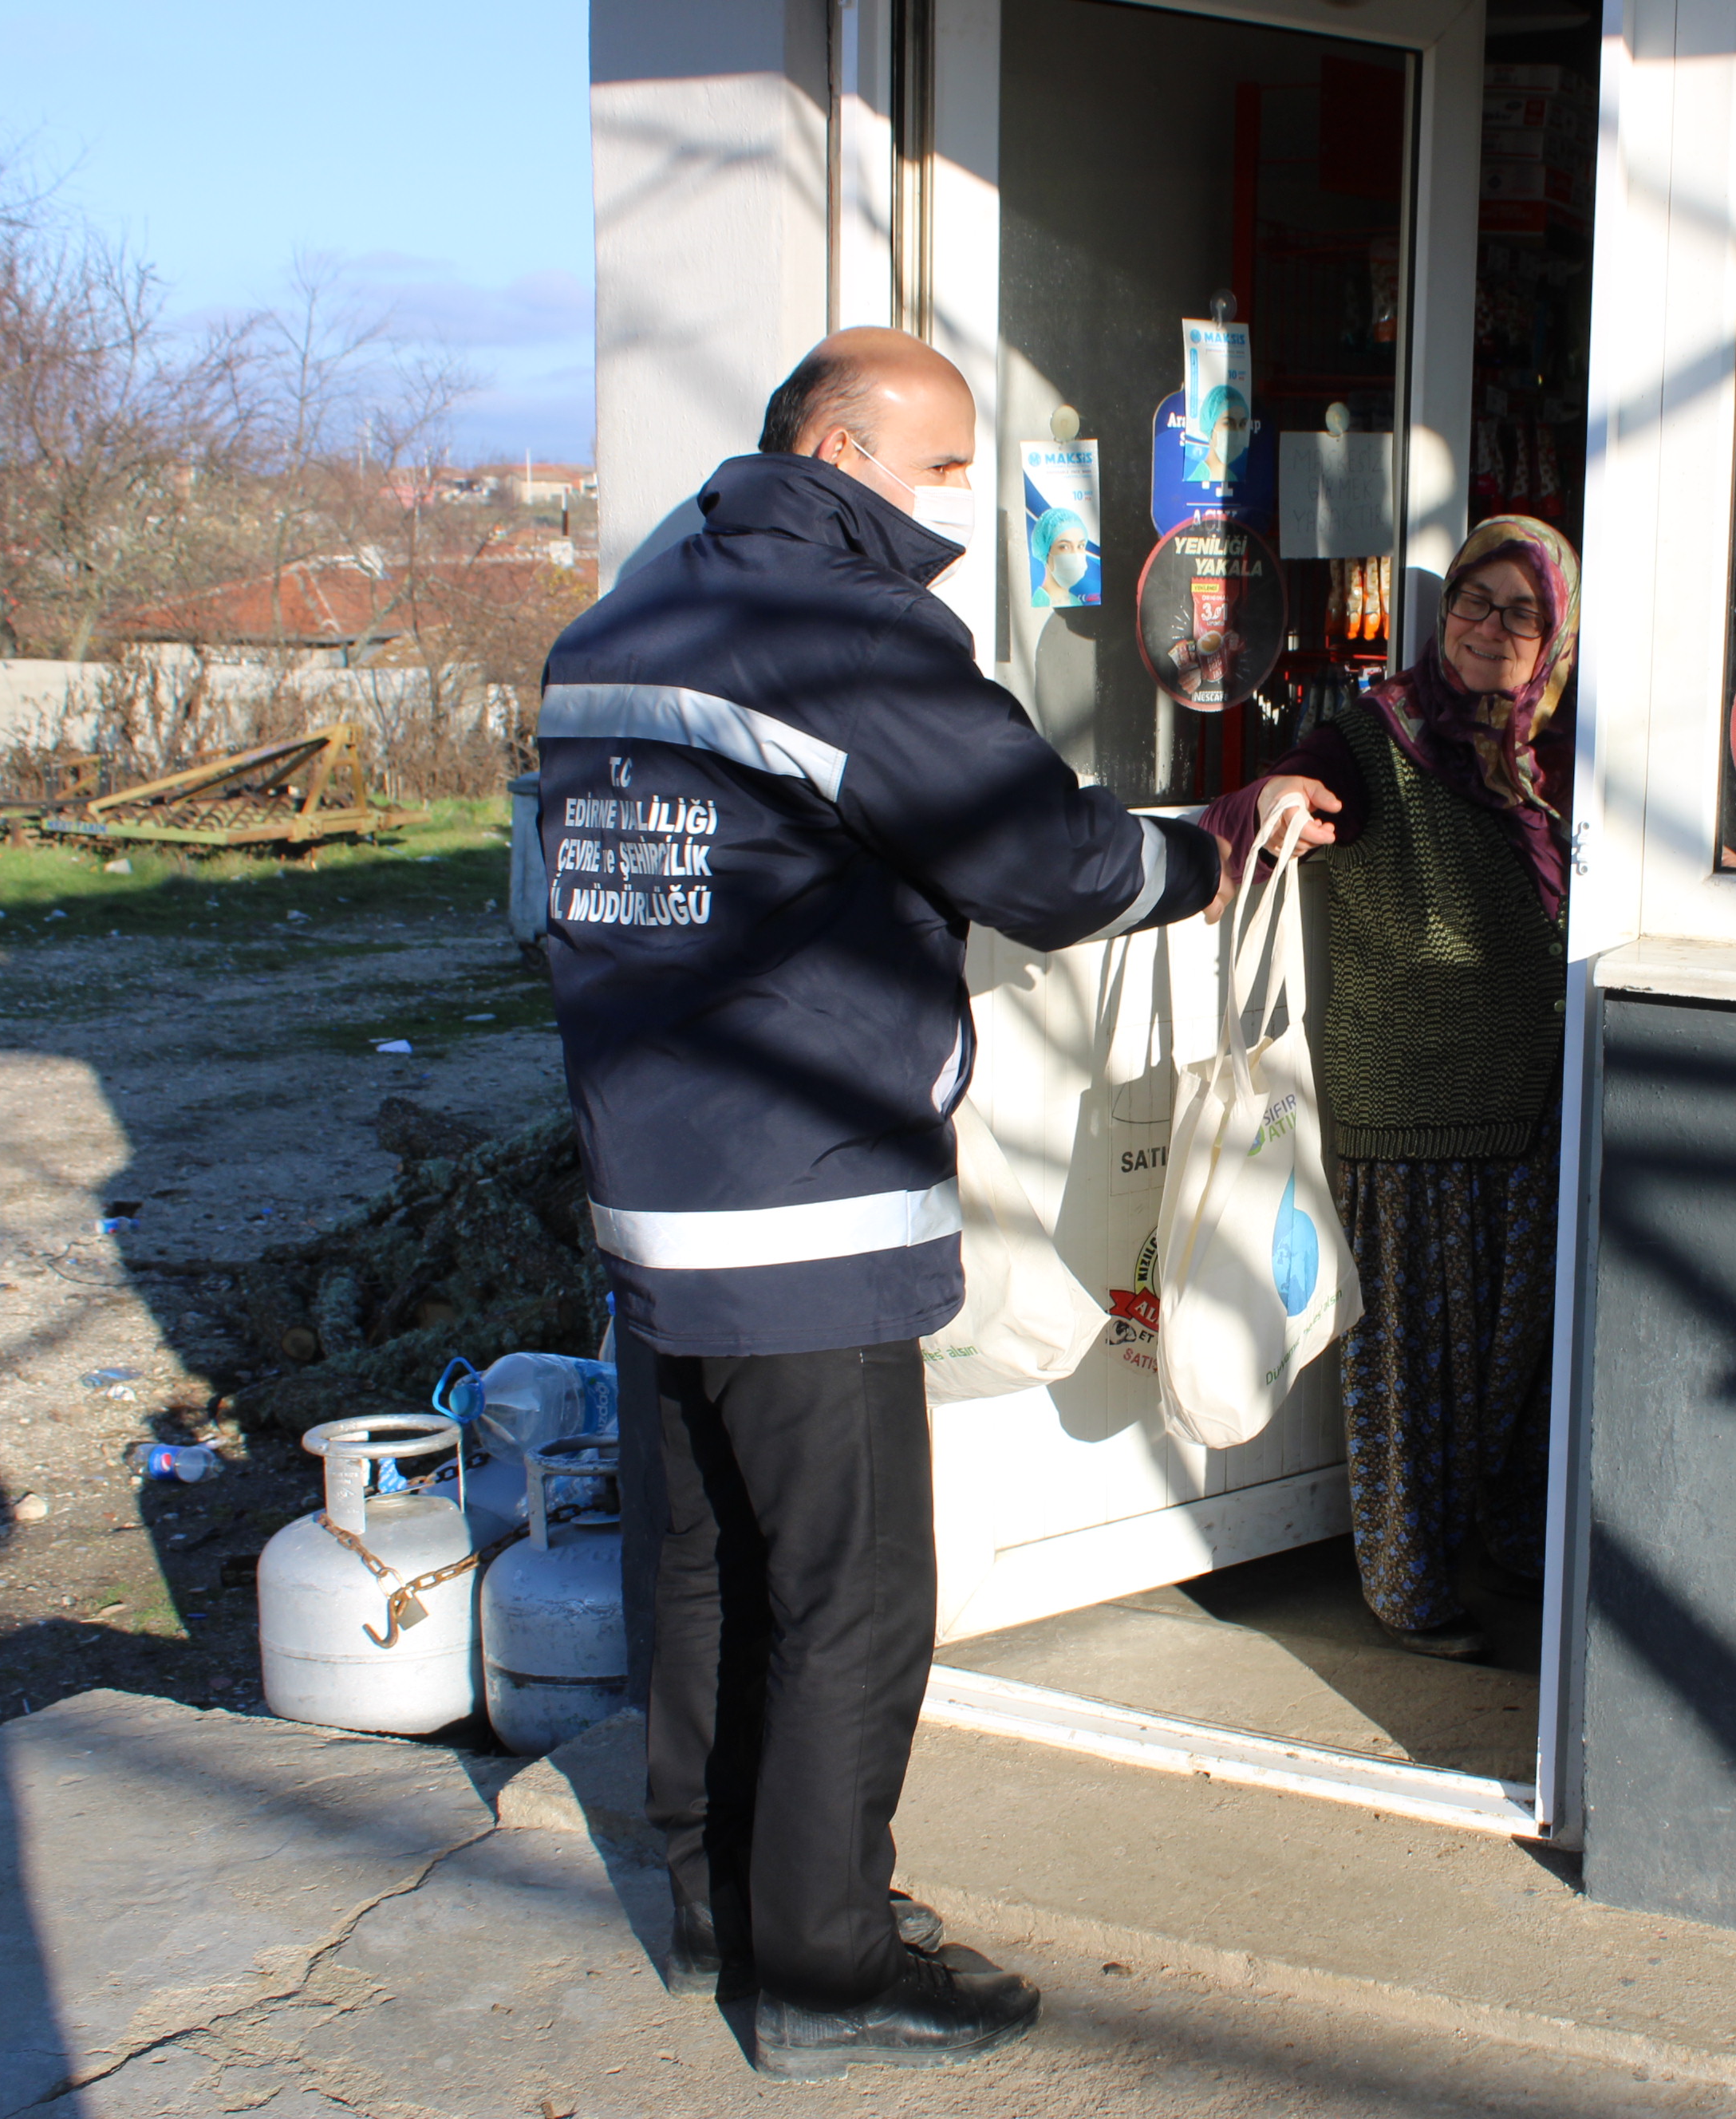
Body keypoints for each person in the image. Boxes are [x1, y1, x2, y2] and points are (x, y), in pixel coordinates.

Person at [537, 326, 1228, 2079]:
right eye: (940, 467)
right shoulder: (840, 632)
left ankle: (718, 1910)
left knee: (696, 1564)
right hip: (805, 1202)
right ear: (840, 450)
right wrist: (1207, 848)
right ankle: (832, 1968)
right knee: (850, 1596)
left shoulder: (627, 617)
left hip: (654, 1194)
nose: (957, 505)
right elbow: (1048, 862)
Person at [1203, 516, 1579, 1660]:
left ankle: (1519, 1545)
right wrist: (1269, 809)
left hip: (1541, 1101)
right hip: (1410, 1106)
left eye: (1522, 611)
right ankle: (1409, 1588)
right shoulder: (1378, 739)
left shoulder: (1564, 756)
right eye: (1473, 600)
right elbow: (1288, 792)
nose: (1489, 629)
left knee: (1526, 1363)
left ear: (1557, 633)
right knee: (1409, 1368)